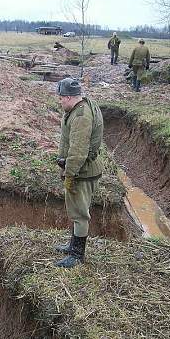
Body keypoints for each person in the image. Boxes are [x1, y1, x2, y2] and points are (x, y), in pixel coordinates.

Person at [55, 78, 104, 268]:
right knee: (77, 211)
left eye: (61, 98)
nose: (59, 101)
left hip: (82, 172)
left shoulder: (81, 116)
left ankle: (77, 255)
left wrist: (69, 174)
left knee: (80, 214)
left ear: (68, 97)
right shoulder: (82, 106)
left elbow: (78, 150)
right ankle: (72, 246)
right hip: (83, 169)